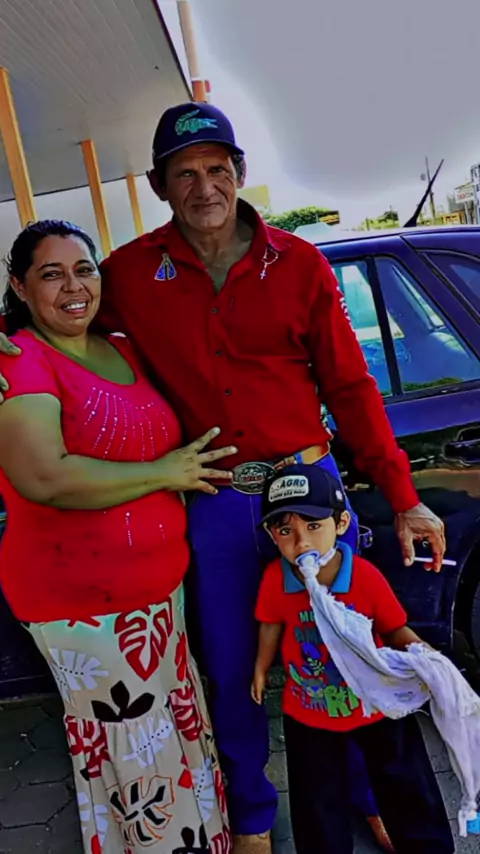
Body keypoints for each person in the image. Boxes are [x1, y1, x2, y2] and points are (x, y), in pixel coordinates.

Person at [0, 103, 446, 854]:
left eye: (216, 168)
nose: (203, 186)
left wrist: (403, 497)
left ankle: (368, 794)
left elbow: (350, 386)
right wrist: (5, 342)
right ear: (159, 186)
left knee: (345, 649)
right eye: (185, 173)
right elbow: (61, 313)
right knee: (236, 666)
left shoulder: (298, 264)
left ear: (239, 173)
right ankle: (253, 815)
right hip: (217, 498)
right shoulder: (130, 273)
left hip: (311, 493)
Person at [0, 220, 236, 854]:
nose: (73, 287)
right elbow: (44, 476)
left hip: (157, 598)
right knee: (135, 752)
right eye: (51, 274)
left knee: (176, 736)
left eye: (84, 270)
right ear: (19, 286)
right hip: (83, 607)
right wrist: (167, 473)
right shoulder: (18, 359)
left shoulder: (123, 348)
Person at [252, 464, 454, 854]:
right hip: (310, 708)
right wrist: (261, 669)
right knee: (317, 799)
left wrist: (425, 656)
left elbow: (395, 628)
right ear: (271, 535)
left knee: (406, 785)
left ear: (341, 523)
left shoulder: (363, 576)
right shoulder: (278, 579)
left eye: (314, 526)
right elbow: (270, 625)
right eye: (285, 531)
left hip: (376, 703)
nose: (302, 542)